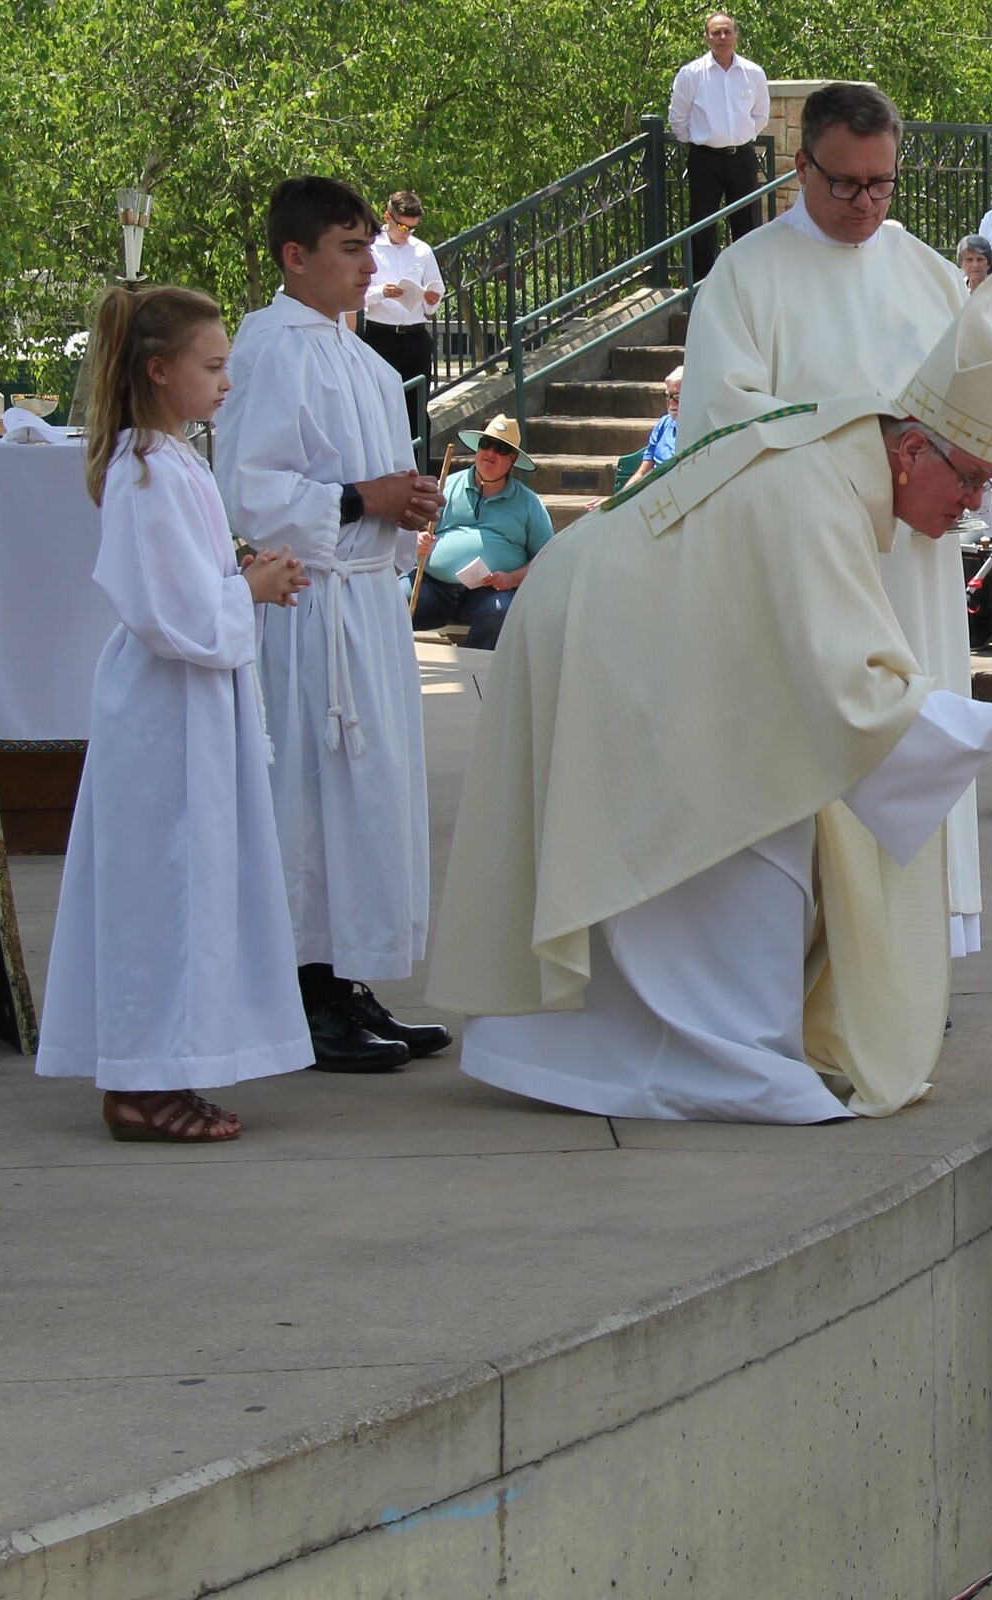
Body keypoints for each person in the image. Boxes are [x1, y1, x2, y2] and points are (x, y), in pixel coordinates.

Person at [434, 282, 992, 1120]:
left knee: (751, 825)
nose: (970, 505)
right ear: (909, 449)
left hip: (634, 628)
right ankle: (725, 1064)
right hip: (605, 633)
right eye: (966, 480)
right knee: (735, 840)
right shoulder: (817, 488)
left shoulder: (839, 456)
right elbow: (845, 689)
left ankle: (624, 1056)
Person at [669, 84, 992, 959]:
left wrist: (964, 464)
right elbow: (721, 428)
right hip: (807, 568)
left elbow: (987, 405)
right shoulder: (747, 274)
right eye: (845, 183)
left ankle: (912, 962)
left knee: (916, 741)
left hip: (913, 564)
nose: (864, 203)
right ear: (799, 166)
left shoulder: (926, 272)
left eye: (881, 184)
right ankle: (816, 961)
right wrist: (871, 451)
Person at [37, 284, 318, 1138]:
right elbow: (168, 612)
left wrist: (244, 572)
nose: (227, 381)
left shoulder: (176, 461)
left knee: (189, 886)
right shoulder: (148, 472)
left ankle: (173, 1065)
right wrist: (247, 589)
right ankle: (138, 1083)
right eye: (213, 365)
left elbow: (193, 583)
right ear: (159, 370)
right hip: (165, 713)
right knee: (159, 890)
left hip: (189, 705)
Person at [215, 177, 446, 1068]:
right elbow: (250, 488)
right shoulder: (270, 348)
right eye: (350, 250)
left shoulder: (361, 356)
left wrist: (406, 501)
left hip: (366, 603)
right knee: (313, 801)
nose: (369, 266)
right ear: (295, 257)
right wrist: (360, 500)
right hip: (309, 603)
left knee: (370, 799)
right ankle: (306, 993)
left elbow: (374, 481)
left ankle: (349, 981)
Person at [409, 414, 553, 650]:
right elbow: (413, 528)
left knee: (500, 612)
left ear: (513, 459)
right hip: (433, 587)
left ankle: (474, 669)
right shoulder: (445, 486)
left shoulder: (529, 503)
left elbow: (546, 556)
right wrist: (416, 540)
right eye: (485, 444)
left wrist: (512, 579)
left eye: (501, 449)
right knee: (392, 597)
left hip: (491, 593)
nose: (490, 453)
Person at [667, 12, 770, 280]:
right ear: (707, 38)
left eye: (727, 31)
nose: (722, 37)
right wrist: (698, 143)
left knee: (747, 225)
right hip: (705, 160)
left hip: (742, 158)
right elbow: (678, 118)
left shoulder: (753, 73)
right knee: (702, 226)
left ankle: (747, 282)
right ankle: (703, 285)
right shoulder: (691, 74)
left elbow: (761, 116)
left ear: (736, 36)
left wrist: (740, 138)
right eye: (716, 32)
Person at [359, 192, 442, 466]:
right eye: (402, 226)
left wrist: (431, 298)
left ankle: (418, 468)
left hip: (415, 336)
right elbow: (357, 296)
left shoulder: (422, 250)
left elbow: (435, 291)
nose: (407, 233)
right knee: (382, 406)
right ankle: (384, 469)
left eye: (412, 228)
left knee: (417, 407)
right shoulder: (371, 248)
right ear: (388, 217)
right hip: (381, 336)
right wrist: (381, 292)